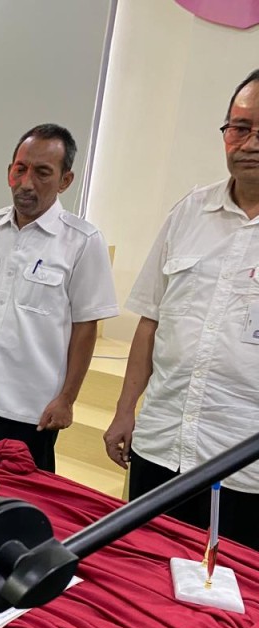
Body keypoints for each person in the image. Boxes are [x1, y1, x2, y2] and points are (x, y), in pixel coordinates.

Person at [103, 70, 259, 549]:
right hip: (162, 442)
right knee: (139, 568)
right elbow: (150, 321)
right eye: (240, 127)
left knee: (226, 585)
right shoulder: (189, 213)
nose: (251, 142)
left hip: (243, 468)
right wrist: (125, 411)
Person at [0, 123, 117, 473]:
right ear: (9, 170)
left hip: (31, 408)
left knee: (21, 499)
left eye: (42, 172)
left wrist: (67, 398)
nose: (26, 182)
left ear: (65, 180)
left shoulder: (82, 241)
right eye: (20, 169)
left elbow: (85, 327)